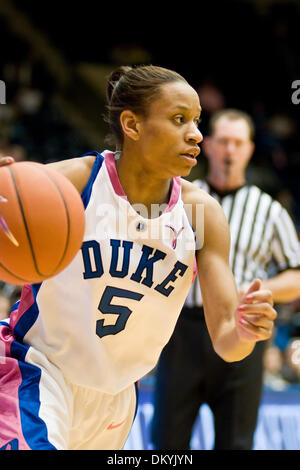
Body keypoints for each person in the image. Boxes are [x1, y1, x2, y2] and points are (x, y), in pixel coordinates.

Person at [0, 69, 276, 451]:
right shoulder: (71, 183)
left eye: (197, 120)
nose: (196, 133)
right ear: (132, 124)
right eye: (179, 119)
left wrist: (247, 331)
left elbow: (228, 339)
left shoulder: (202, 215)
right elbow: (9, 213)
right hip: (38, 373)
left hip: (117, 398)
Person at [151, 108, 300, 450]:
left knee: (236, 440)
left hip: (242, 326)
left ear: (249, 149)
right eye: (223, 142)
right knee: (166, 439)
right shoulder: (179, 198)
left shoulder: (269, 210)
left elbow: (297, 275)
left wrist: (254, 290)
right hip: (180, 330)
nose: (230, 150)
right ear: (210, 146)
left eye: (238, 143)